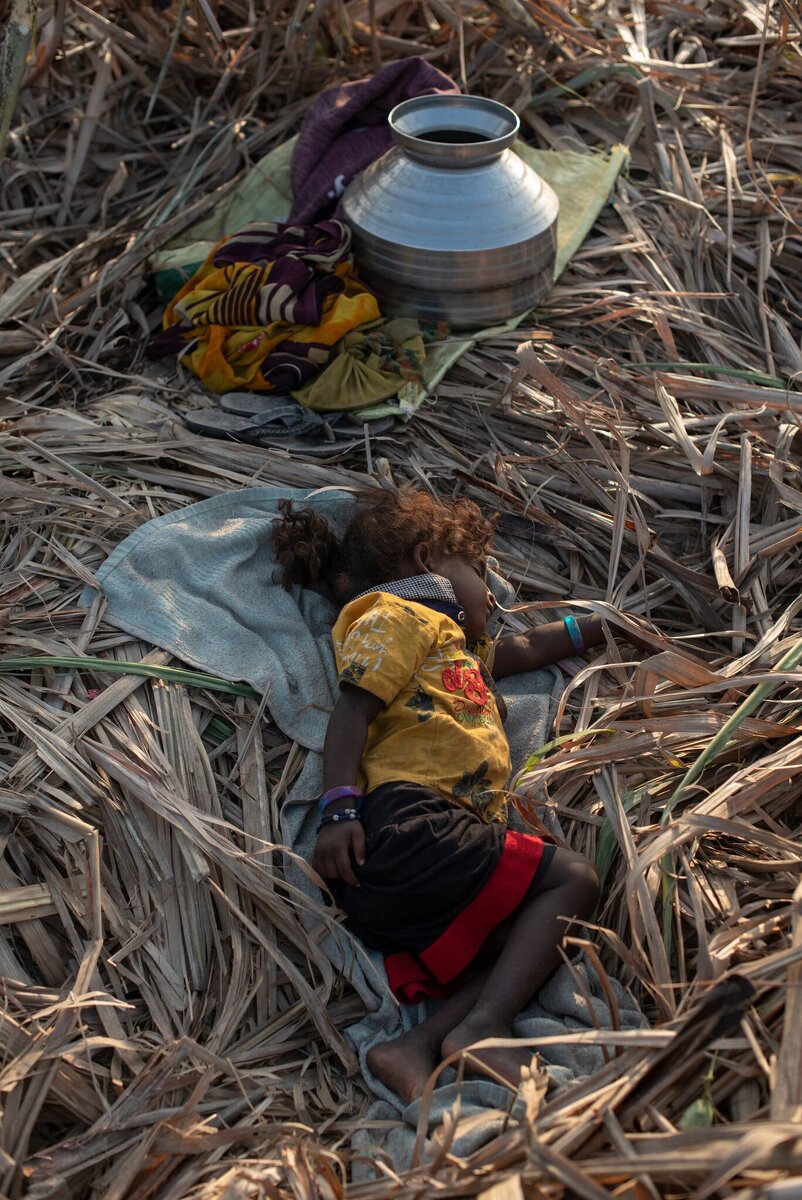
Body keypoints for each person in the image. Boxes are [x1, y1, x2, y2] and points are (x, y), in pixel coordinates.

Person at [273, 485, 647, 1103]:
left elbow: (523, 648)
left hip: (421, 866)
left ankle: (417, 1045)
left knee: (531, 944)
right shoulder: (399, 617)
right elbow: (351, 712)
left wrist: (596, 628)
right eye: (478, 572)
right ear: (427, 561)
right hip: (406, 824)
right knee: (574, 879)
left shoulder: (456, 649)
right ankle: (485, 1024)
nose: (493, 596)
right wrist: (339, 807)